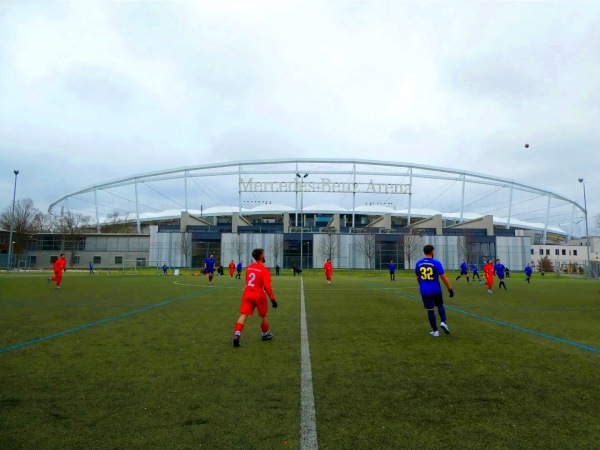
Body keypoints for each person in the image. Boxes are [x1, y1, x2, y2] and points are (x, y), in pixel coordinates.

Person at [232, 248, 278, 347]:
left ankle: (237, 335)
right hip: (259, 295)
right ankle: (264, 335)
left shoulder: (249, 268)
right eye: (264, 254)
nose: (265, 255)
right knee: (264, 315)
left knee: (243, 315)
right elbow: (267, 286)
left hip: (248, 293)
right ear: (261, 256)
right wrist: (273, 299)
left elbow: (247, 281)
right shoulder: (264, 270)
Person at [415, 245, 453, 337]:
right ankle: (443, 322)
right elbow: (443, 276)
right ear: (432, 252)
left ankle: (435, 331)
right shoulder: (436, 263)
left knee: (430, 310)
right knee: (440, 305)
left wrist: (423, 286)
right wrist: (450, 289)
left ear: (424, 252)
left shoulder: (418, 263)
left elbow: (418, 278)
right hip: (436, 289)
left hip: (425, 291)